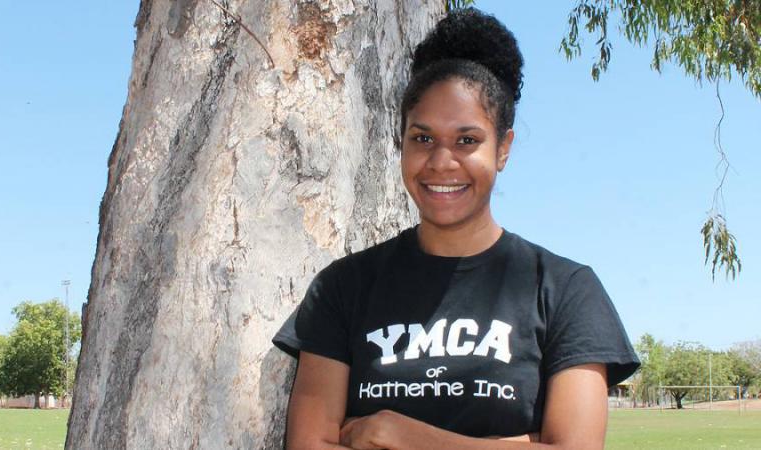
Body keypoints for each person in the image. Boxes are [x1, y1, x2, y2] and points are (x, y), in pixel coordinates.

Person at [273, 8, 639, 450]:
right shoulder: (343, 287)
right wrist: (519, 443)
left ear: (503, 148)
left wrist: (401, 433)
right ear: (401, 141)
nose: (441, 162)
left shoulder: (566, 290)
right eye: (422, 138)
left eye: (467, 140)